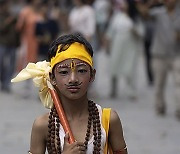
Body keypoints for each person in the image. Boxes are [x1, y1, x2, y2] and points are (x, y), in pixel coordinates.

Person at [11, 33, 128, 153]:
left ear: (92, 75)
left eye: (81, 71)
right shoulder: (43, 125)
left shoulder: (108, 120)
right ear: (52, 78)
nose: (73, 79)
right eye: (63, 72)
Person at [138, 0, 180, 120]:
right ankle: (160, 106)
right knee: (159, 84)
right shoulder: (158, 12)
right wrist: (150, 3)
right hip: (159, 54)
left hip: (177, 54)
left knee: (179, 82)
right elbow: (144, 13)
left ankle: (179, 109)